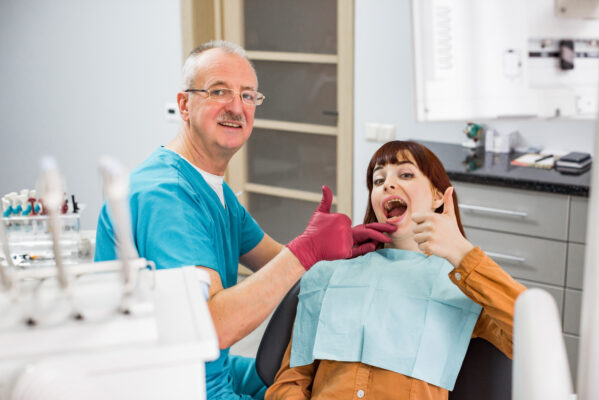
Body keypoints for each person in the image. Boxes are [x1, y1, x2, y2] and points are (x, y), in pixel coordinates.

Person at [94, 41, 394, 400]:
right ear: (184, 105)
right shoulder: (167, 197)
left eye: (248, 96)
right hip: (175, 386)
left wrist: (337, 254)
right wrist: (306, 249)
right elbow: (212, 327)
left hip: (211, 369)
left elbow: (278, 262)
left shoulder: (211, 190)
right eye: (219, 91)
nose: (236, 107)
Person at [265, 140, 527, 400]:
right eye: (378, 181)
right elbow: (291, 382)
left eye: (405, 174)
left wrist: (462, 253)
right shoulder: (333, 275)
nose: (388, 184)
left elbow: (532, 335)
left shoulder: (459, 287)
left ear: (437, 196)